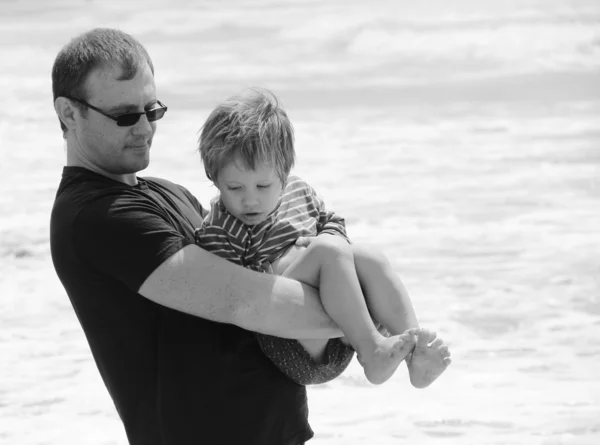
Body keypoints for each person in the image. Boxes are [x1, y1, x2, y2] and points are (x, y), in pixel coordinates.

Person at [50, 28, 354, 445]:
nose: (143, 128)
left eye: (151, 110)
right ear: (69, 113)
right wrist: (364, 320)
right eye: (124, 115)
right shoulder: (98, 216)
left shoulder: (168, 192)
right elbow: (249, 301)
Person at [195, 88, 451, 387]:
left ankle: (415, 352)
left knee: (368, 255)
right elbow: (224, 293)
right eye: (234, 188)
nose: (250, 201)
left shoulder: (298, 191)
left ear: (284, 172)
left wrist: (326, 243)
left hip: (340, 334)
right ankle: (372, 352)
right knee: (328, 250)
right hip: (293, 341)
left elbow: (331, 222)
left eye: (263, 186)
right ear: (214, 179)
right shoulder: (219, 228)